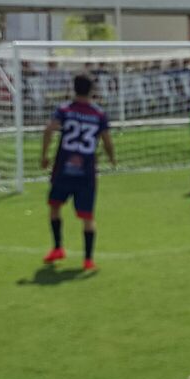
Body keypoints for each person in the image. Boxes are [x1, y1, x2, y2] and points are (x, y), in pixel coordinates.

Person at [41, 74, 116, 271]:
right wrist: (111, 157)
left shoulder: (64, 110)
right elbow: (107, 141)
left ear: (73, 88)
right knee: (88, 216)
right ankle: (88, 260)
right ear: (92, 90)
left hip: (63, 168)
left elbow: (48, 130)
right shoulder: (99, 114)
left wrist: (44, 155)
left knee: (55, 207)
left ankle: (58, 247)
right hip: (86, 171)